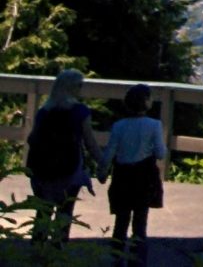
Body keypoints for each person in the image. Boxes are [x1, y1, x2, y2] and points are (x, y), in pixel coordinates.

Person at [24, 68, 105, 244]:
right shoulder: (80, 111)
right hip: (70, 168)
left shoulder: (44, 111)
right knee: (65, 211)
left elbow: (32, 139)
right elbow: (89, 141)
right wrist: (103, 162)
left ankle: (37, 252)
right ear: (72, 88)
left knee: (43, 211)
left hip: (42, 168)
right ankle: (58, 251)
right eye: (80, 85)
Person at [105, 83, 168, 266]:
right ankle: (137, 261)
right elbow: (161, 153)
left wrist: (102, 172)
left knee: (121, 221)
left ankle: (116, 258)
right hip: (144, 177)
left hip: (122, 177)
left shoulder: (118, 126)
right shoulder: (154, 125)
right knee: (140, 224)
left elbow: (110, 152)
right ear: (146, 103)